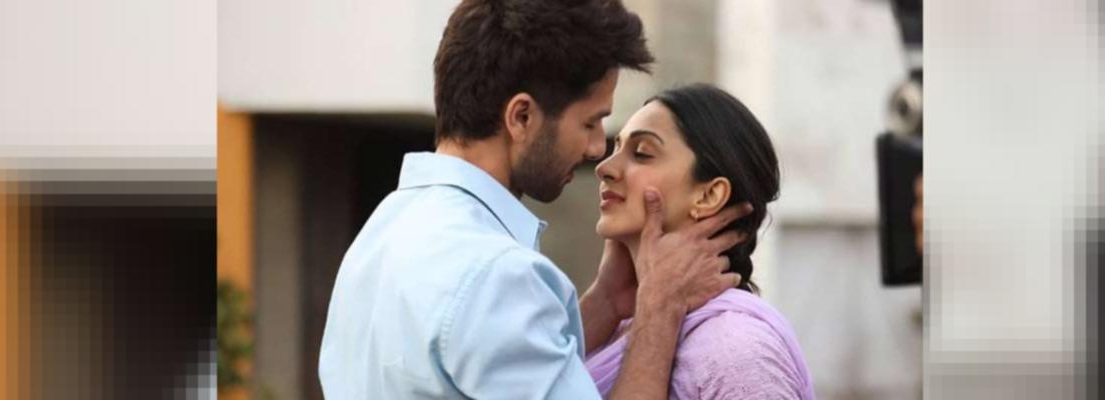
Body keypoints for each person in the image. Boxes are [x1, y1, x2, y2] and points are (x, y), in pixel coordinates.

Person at [317, 1, 751, 399]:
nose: (597, 150)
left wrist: (604, 302)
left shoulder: (384, 231)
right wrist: (660, 307)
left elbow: (490, 364)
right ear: (522, 117)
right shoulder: (497, 275)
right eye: (590, 123)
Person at [586, 84, 815, 399]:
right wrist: (607, 301)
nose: (604, 168)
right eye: (617, 148)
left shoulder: (735, 350)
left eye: (642, 153)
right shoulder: (616, 326)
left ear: (709, 196)